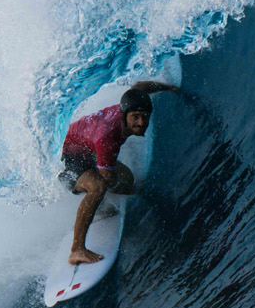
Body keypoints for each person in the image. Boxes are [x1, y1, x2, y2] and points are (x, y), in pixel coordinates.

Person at [61, 80, 179, 264]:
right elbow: (108, 178)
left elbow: (139, 87)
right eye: (136, 117)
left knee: (128, 180)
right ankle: (77, 249)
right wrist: (128, 191)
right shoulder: (108, 138)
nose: (141, 123)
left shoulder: (129, 102)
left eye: (145, 116)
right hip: (71, 158)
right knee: (99, 187)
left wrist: (168, 86)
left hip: (90, 148)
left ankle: (98, 203)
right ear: (124, 115)